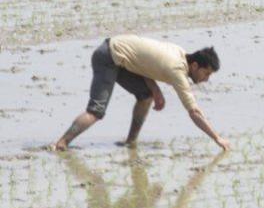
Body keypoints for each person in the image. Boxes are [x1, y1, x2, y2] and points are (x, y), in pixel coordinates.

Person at [51, 34, 230, 151]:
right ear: (195, 65)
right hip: (108, 57)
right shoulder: (177, 69)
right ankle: (62, 143)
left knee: (146, 96)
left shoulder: (180, 53)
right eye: (206, 73)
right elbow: (194, 112)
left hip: (121, 57)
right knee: (96, 111)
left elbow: (143, 63)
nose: (206, 79)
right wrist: (217, 138)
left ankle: (130, 142)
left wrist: (155, 89)